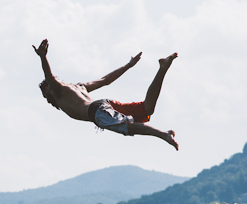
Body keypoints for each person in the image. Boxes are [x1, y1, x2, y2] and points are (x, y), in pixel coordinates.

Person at [33, 39, 179, 149]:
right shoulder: (79, 87)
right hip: (105, 104)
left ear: (49, 89)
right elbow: (105, 80)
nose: (47, 98)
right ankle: (163, 68)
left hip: (97, 111)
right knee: (147, 109)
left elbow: (49, 77)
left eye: (45, 95)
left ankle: (163, 134)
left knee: (128, 127)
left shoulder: (58, 92)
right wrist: (128, 65)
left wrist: (43, 57)